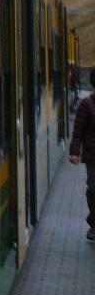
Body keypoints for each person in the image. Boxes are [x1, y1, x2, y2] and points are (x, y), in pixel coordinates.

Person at [67, 69, 95, 242]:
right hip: (92, 157)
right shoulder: (86, 104)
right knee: (93, 187)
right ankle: (94, 223)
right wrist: (74, 152)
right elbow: (78, 131)